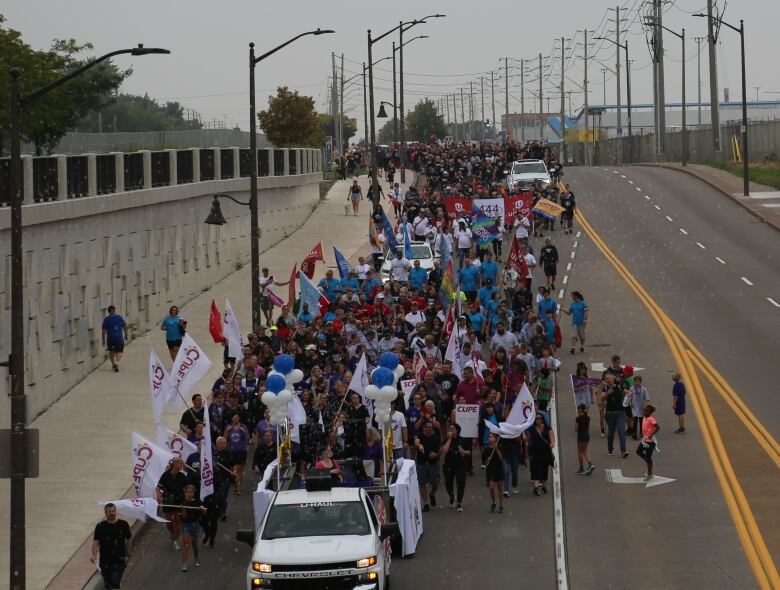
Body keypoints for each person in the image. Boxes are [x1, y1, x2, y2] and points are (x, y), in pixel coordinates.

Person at [91, 503, 133, 589]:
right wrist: (94, 555)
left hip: (119, 559)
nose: (111, 513)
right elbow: (96, 542)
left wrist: (128, 555)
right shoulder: (100, 526)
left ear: (116, 511)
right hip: (105, 560)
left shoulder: (123, 524)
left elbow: (129, 540)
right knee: (108, 584)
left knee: (115, 582)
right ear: (105, 513)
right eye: (109, 511)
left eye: (113, 511)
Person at [157, 458, 188, 550]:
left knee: (178, 521)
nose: (182, 465)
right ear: (174, 464)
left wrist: (187, 498)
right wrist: (159, 495)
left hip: (179, 501)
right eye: (180, 463)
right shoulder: (165, 475)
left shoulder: (182, 476)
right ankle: (173, 535)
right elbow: (159, 487)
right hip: (168, 501)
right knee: (169, 523)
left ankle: (175, 541)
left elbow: (187, 487)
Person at [441, 423, 471, 512]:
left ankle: (459, 502)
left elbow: (469, 452)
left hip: (461, 464)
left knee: (460, 482)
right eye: (449, 428)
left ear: (457, 430)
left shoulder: (462, 440)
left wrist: (464, 452)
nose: (450, 430)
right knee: (448, 483)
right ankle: (451, 495)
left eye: (452, 429)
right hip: (449, 464)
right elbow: (445, 450)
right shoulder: (446, 439)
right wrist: (450, 439)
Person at [414, 420, 441, 512]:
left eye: (431, 427)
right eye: (428, 427)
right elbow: (416, 442)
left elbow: (438, 451)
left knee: (435, 483)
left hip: (432, 463)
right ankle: (425, 503)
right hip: (421, 463)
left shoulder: (435, 438)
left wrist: (435, 455)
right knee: (422, 484)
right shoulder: (420, 436)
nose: (430, 429)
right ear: (424, 428)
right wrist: (419, 445)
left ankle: (432, 494)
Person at [526, 414, 555, 496]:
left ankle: (543, 486)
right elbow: (527, 440)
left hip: (545, 453)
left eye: (540, 418)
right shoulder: (531, 429)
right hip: (535, 453)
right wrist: (522, 433)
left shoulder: (547, 428)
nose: (538, 420)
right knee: (536, 469)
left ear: (542, 419)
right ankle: (536, 487)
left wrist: (552, 443)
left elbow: (552, 438)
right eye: (536, 419)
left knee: (544, 470)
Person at [180, 484, 206, 572]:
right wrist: (183, 509)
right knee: (186, 544)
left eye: (191, 492)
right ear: (185, 493)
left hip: (195, 524)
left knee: (194, 544)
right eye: (187, 492)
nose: (189, 494)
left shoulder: (198, 502)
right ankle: (184, 564)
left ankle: (196, 557)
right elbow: (184, 517)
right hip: (185, 525)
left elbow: (204, 513)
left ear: (194, 493)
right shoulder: (182, 503)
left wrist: (202, 509)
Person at [601, 373, 628, 457]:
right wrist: (608, 393)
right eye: (607, 378)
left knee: (621, 431)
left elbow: (625, 392)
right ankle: (610, 449)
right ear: (605, 380)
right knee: (611, 432)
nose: (609, 379)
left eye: (610, 377)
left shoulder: (619, 386)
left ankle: (623, 451)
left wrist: (628, 394)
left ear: (613, 378)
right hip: (610, 413)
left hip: (621, 412)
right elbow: (602, 399)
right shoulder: (605, 388)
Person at [224, 413, 250, 495]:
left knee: (239, 470)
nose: (236, 419)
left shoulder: (243, 426)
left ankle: (238, 488)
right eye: (234, 417)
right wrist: (227, 431)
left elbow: (247, 440)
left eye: (237, 417)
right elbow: (224, 439)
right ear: (231, 419)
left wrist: (244, 432)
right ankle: (235, 484)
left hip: (241, 451)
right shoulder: (228, 427)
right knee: (232, 471)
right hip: (230, 451)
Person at [636, 405, 660, 480]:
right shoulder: (644, 418)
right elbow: (645, 428)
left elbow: (658, 427)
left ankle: (650, 475)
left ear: (650, 412)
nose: (644, 412)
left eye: (646, 411)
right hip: (644, 441)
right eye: (644, 410)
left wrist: (651, 434)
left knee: (648, 457)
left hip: (650, 442)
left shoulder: (651, 419)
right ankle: (650, 463)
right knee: (638, 451)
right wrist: (641, 435)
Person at [482, 433, 505, 513]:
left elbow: (501, 458)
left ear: (495, 439)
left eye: (492, 437)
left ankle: (501, 505)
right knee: (491, 488)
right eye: (489, 437)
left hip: (498, 469)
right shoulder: (486, 449)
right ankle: (494, 502)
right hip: (490, 470)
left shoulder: (499, 447)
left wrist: (496, 449)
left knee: (500, 488)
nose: (490, 438)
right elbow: (484, 462)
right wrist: (486, 460)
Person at [101, 305, 128, 372]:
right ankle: (117, 363)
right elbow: (124, 326)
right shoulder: (119, 317)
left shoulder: (106, 319)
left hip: (110, 339)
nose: (115, 311)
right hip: (118, 338)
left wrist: (103, 340)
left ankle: (113, 365)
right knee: (120, 351)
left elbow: (103, 331)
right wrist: (126, 335)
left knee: (111, 352)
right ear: (113, 311)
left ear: (109, 311)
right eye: (114, 310)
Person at [574, 404, 594, 475]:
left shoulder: (578, 418)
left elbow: (576, 429)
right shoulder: (588, 417)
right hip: (587, 434)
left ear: (580, 409)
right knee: (585, 450)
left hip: (581, 435)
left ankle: (581, 468)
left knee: (580, 451)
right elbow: (588, 427)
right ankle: (590, 463)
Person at [629, 375, 649, 439]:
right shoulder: (632, 388)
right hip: (634, 407)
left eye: (638, 381)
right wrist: (629, 402)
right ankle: (634, 434)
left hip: (641, 407)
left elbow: (646, 398)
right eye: (635, 381)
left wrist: (645, 406)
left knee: (641, 421)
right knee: (635, 421)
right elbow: (629, 396)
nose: (637, 383)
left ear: (641, 382)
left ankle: (641, 433)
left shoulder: (643, 389)